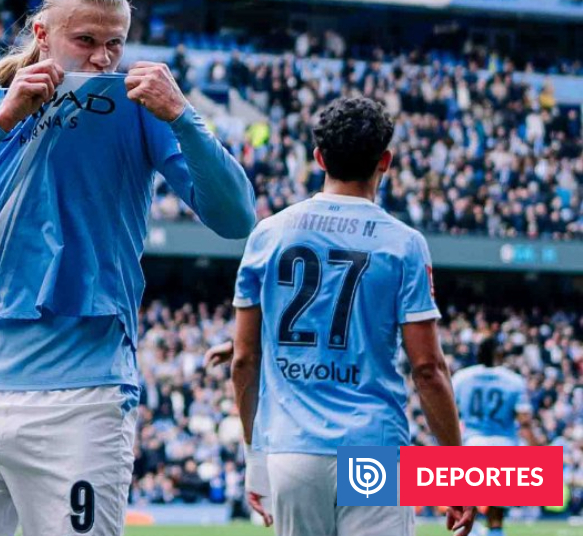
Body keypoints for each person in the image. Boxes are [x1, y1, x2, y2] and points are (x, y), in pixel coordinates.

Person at [0, 0, 256, 535]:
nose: (104, 58)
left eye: (115, 43)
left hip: (85, 397)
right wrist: (3, 118)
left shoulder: (142, 109)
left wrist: (183, 116)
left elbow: (235, 219)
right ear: (42, 32)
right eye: (86, 41)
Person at [230, 96, 476, 536]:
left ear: (319, 157)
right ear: (386, 160)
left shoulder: (267, 235)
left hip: (292, 448)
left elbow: (244, 361)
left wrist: (256, 457)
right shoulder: (404, 243)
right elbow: (427, 367)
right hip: (373, 448)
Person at [453, 337, 539, 536]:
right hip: (503, 445)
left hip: (472, 443)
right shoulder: (513, 380)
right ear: (499, 354)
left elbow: (450, 413)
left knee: (468, 507)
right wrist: (539, 450)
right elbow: (524, 421)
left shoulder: (462, 378)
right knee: (496, 513)